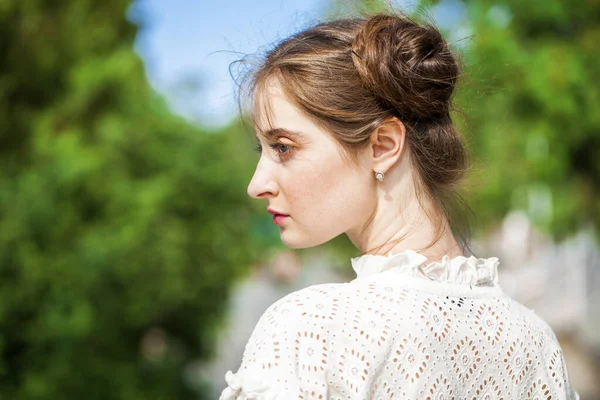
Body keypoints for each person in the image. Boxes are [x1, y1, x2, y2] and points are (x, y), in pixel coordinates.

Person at [220, 11, 579, 400]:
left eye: (283, 147)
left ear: (383, 146)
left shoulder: (312, 331)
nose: (257, 185)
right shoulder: (532, 341)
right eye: (263, 149)